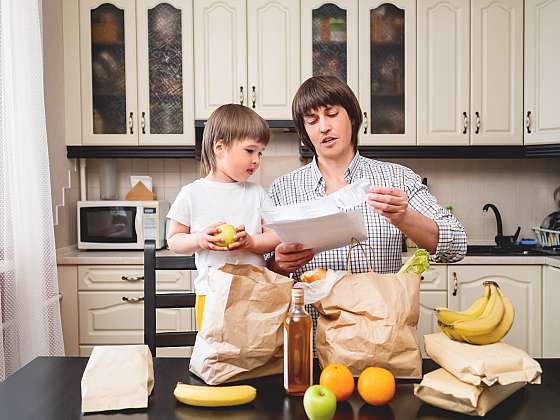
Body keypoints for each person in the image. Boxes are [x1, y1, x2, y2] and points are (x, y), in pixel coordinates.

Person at [267, 75, 467, 280]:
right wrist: (279, 264)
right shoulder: (282, 189)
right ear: (305, 131)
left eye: (332, 114)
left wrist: (404, 217)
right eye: (312, 120)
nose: (323, 127)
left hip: (380, 312)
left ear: (352, 117)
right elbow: (259, 271)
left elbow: (457, 245)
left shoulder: (398, 178)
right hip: (309, 313)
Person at [167, 104, 280, 330]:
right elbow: (174, 240)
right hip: (211, 296)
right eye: (250, 151)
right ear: (220, 148)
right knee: (215, 356)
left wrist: (252, 242)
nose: (257, 159)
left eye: (260, 152)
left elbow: (276, 235)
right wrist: (199, 239)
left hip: (255, 293)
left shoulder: (257, 193)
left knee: (255, 356)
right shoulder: (192, 193)